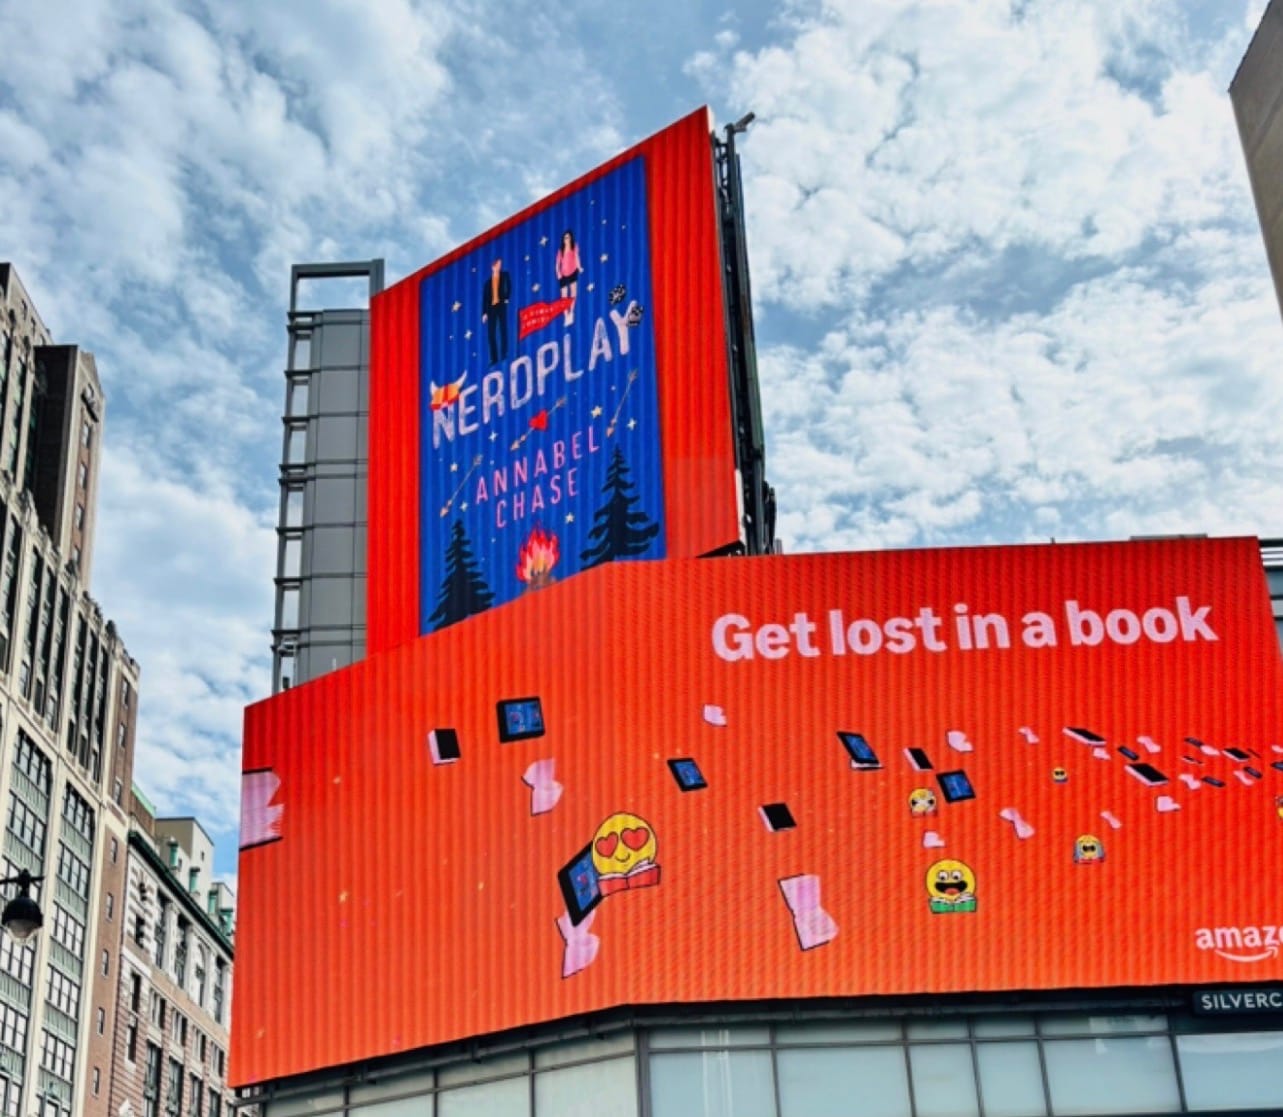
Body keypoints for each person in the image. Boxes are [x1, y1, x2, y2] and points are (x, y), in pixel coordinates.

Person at [481, 258, 511, 364]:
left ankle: (504, 353)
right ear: (493, 267)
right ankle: (494, 358)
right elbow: (485, 299)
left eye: (500, 265)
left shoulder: (505, 275)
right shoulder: (487, 283)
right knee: (491, 334)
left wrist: (507, 298)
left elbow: (509, 286)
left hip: (501, 305)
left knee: (503, 329)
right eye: (497, 265)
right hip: (491, 309)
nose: (499, 267)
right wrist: (484, 313)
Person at [554, 231, 582, 325]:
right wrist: (558, 272)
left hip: (573, 271)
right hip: (563, 274)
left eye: (568, 237)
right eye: (565, 238)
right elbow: (557, 263)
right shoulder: (560, 250)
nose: (567, 239)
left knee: (574, 293)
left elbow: (577, 257)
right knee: (564, 296)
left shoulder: (575, 246)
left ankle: (571, 312)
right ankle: (566, 315)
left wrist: (579, 267)